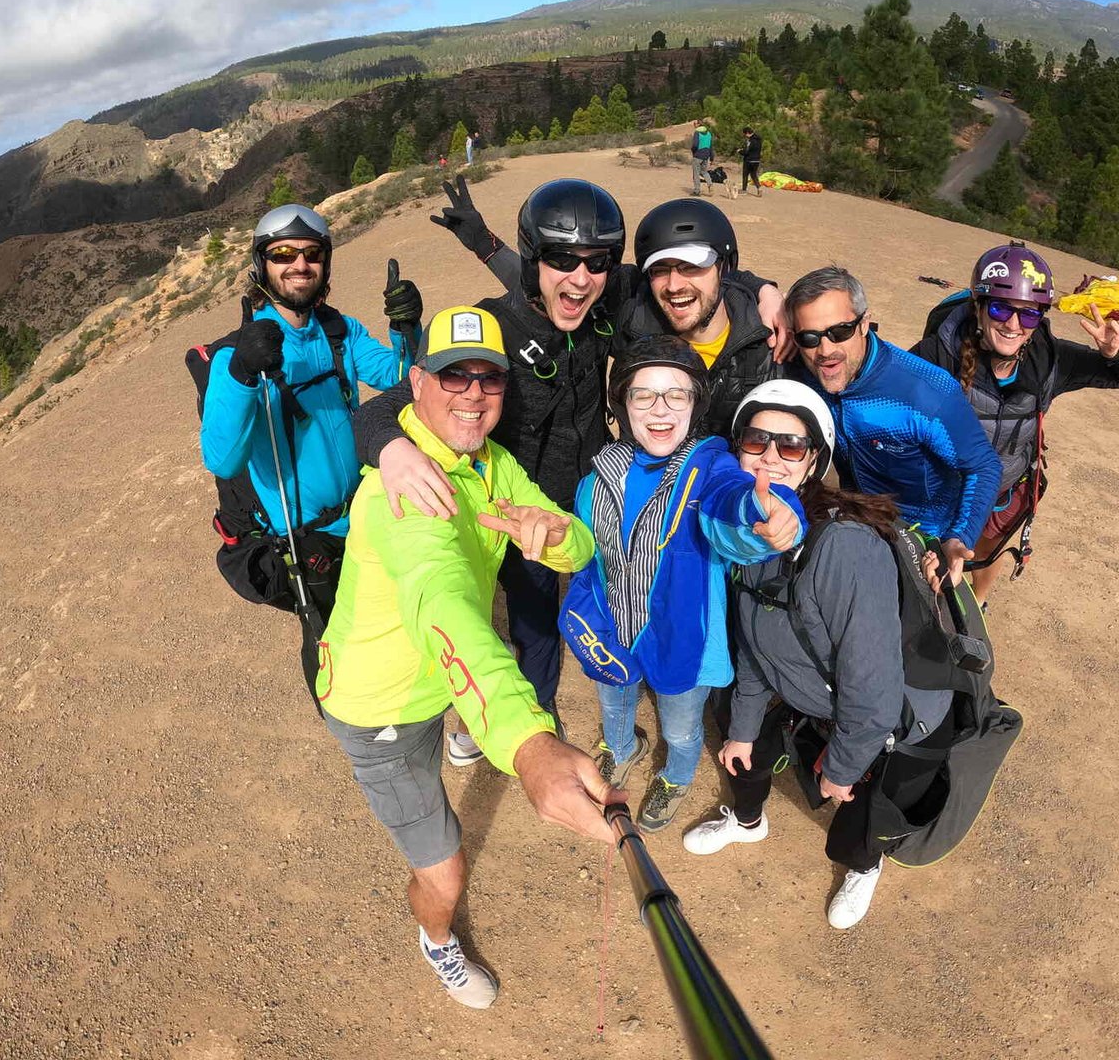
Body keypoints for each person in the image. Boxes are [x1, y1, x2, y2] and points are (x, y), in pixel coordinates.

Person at [358, 180, 787, 760]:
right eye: (562, 259)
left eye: (597, 262)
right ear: (536, 259)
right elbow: (389, 403)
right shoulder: (495, 327)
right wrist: (391, 447)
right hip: (517, 506)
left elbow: (691, 270)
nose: (582, 278)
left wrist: (762, 289)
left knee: (621, 595)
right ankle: (532, 718)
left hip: (593, 497)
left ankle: (652, 685)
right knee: (530, 620)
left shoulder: (605, 302)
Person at [319, 305, 619, 1010]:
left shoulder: (490, 463)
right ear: (418, 382)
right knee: (445, 871)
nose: (475, 395)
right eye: (455, 377)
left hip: (437, 680)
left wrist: (558, 537)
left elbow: (573, 539)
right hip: (383, 710)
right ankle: (437, 939)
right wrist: (530, 746)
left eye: (491, 378)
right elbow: (443, 608)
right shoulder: (402, 492)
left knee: (474, 686)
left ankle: (465, 734)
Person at [681, 379, 955, 929]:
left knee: (859, 806)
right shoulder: (747, 536)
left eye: (791, 446)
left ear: (813, 463)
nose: (770, 457)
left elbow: (873, 692)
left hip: (891, 714)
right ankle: (747, 819)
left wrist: (843, 767)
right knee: (738, 732)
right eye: (756, 440)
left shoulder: (845, 548)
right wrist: (743, 727)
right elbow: (755, 636)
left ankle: (865, 864)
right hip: (809, 684)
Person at [560, 338, 805, 832]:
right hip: (612, 626)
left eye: (677, 394)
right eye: (643, 395)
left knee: (681, 726)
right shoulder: (599, 476)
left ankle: (676, 774)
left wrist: (764, 516)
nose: (660, 409)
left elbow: (729, 507)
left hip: (684, 641)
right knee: (613, 702)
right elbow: (586, 552)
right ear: (622, 404)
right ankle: (622, 747)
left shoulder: (710, 469)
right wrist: (555, 539)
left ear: (696, 404)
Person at [198, 203, 421, 702]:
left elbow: (400, 378)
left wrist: (407, 329)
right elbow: (222, 459)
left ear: (326, 262)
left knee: (390, 628)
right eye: (283, 253)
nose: (299, 264)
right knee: (333, 648)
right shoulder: (236, 355)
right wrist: (242, 374)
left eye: (311, 253)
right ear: (261, 264)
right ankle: (349, 724)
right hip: (306, 542)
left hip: (364, 518)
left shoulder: (338, 333)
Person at [911, 241, 1119, 604]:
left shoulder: (1050, 361)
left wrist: (1116, 353)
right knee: (928, 557)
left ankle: (979, 601)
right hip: (940, 485)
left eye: (1029, 315)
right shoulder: (938, 355)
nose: (1013, 324)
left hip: (1004, 485)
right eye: (1001, 308)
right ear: (979, 307)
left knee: (988, 548)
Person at [785, 265, 1001, 588]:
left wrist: (958, 538)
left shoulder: (926, 391)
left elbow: (983, 466)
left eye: (840, 332)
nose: (825, 351)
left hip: (923, 540)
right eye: (809, 337)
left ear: (864, 323)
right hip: (856, 520)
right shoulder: (804, 371)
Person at [621, 198, 785, 436]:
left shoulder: (770, 343)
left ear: (725, 268)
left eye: (692, 267)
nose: (674, 285)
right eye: (660, 270)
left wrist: (766, 291)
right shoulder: (631, 327)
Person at [688, 120, 715, 197]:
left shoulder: (697, 132)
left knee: (696, 173)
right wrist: (712, 158)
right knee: (704, 172)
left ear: (698, 124)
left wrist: (693, 151)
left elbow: (695, 145)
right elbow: (711, 147)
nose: (694, 125)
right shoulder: (709, 133)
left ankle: (697, 191)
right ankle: (710, 184)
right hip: (706, 155)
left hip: (698, 155)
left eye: (695, 123)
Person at [739, 127, 763, 197]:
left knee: (745, 174)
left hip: (749, 160)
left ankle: (744, 190)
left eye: (745, 134)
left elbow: (747, 152)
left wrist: (740, 151)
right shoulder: (759, 139)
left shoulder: (750, 141)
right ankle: (759, 188)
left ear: (747, 133)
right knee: (753, 175)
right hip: (757, 160)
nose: (745, 136)